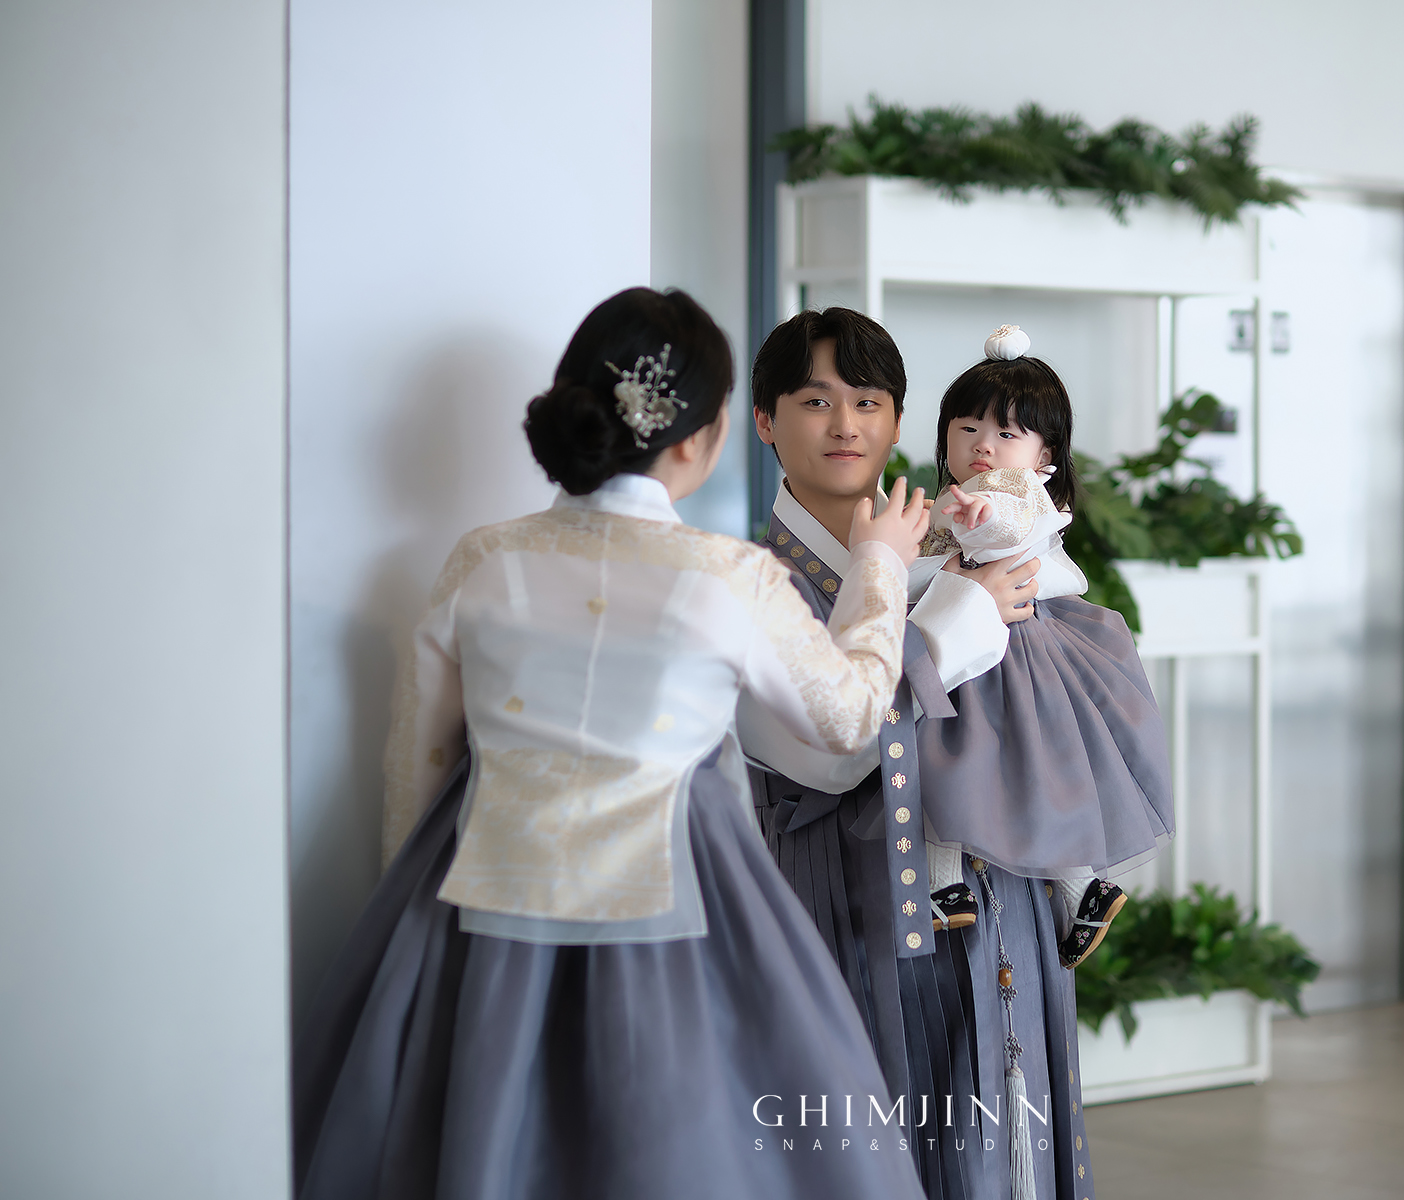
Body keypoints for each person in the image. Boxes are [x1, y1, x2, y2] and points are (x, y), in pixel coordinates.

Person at [292, 287, 934, 1200]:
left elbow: (419, 762)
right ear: (706, 435)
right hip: (682, 897)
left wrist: (412, 914)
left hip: (480, 895)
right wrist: (880, 567)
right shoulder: (731, 576)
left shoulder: (484, 559)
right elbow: (852, 715)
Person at [737, 307, 1110, 1200]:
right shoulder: (751, 579)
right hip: (846, 906)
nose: (845, 424)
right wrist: (956, 616)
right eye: (814, 401)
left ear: (899, 422)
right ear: (764, 422)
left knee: (1013, 1129)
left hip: (1007, 890)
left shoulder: (944, 543)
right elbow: (825, 752)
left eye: (868, 402)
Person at [919, 324, 1173, 967]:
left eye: (1007, 433)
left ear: (1044, 455)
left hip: (1005, 656)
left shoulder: (1011, 496)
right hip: (975, 649)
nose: (984, 445)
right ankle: (1077, 888)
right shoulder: (951, 502)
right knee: (1012, 775)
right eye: (968, 427)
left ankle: (953, 885)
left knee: (952, 764)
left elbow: (1007, 525)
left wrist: (977, 521)